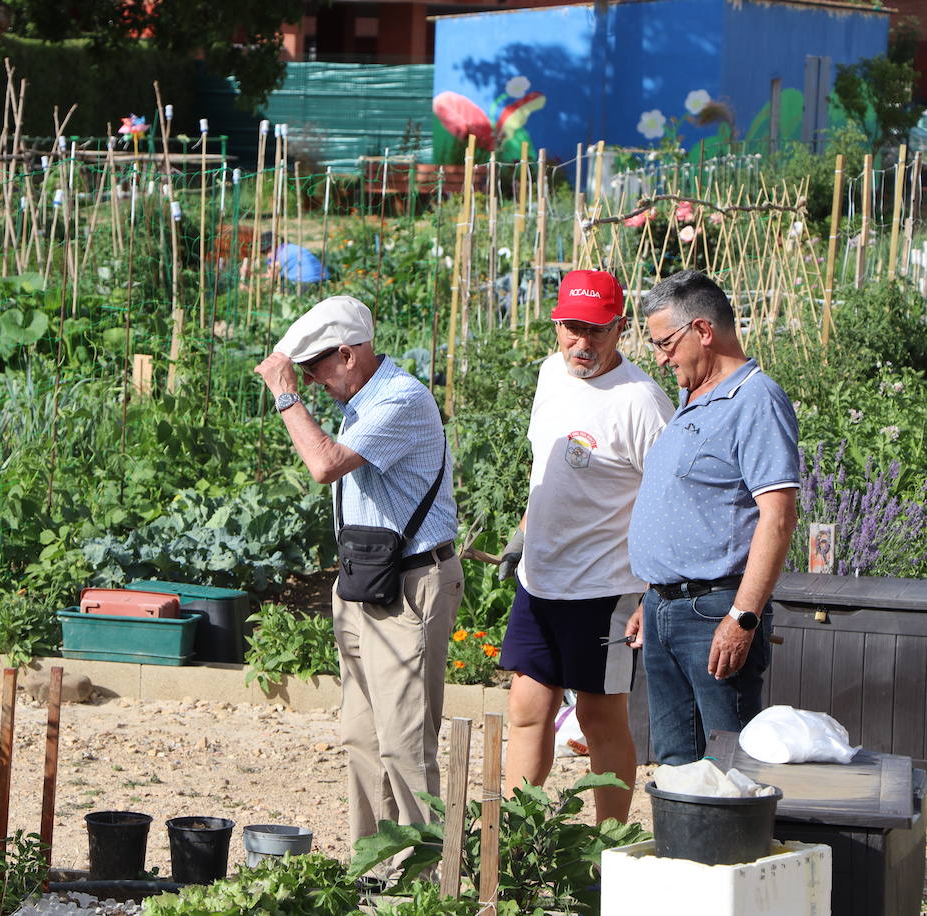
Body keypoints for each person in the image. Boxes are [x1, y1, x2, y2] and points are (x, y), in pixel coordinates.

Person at [254, 295, 462, 855]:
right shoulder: (360, 398)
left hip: (411, 584)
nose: (313, 380)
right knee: (362, 738)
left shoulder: (400, 400)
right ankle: (374, 861)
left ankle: (428, 872)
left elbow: (323, 464)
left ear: (348, 355)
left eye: (317, 368)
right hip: (365, 580)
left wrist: (285, 396)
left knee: (404, 741)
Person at [498, 269, 673, 825]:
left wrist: (652, 592)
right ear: (556, 326)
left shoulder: (641, 402)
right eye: (572, 328)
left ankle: (608, 848)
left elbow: (669, 500)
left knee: (600, 721)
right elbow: (542, 467)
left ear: (620, 327)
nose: (582, 343)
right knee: (526, 710)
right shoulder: (551, 374)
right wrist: (525, 532)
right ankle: (517, 843)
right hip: (541, 577)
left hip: (606, 587)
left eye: (596, 330)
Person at [626, 269, 799, 765]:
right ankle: (685, 845)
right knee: (678, 762)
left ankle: (733, 847)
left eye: (665, 344)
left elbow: (778, 518)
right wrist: (653, 596)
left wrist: (743, 616)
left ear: (702, 330)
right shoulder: (691, 397)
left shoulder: (756, 400)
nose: (660, 358)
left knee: (730, 766)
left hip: (715, 611)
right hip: (665, 609)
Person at [261, 231, 329, 290]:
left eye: (267, 251)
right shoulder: (291, 247)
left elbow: (272, 277)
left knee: (279, 288)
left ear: (275, 244)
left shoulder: (280, 255)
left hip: (306, 283)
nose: (268, 255)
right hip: (324, 279)